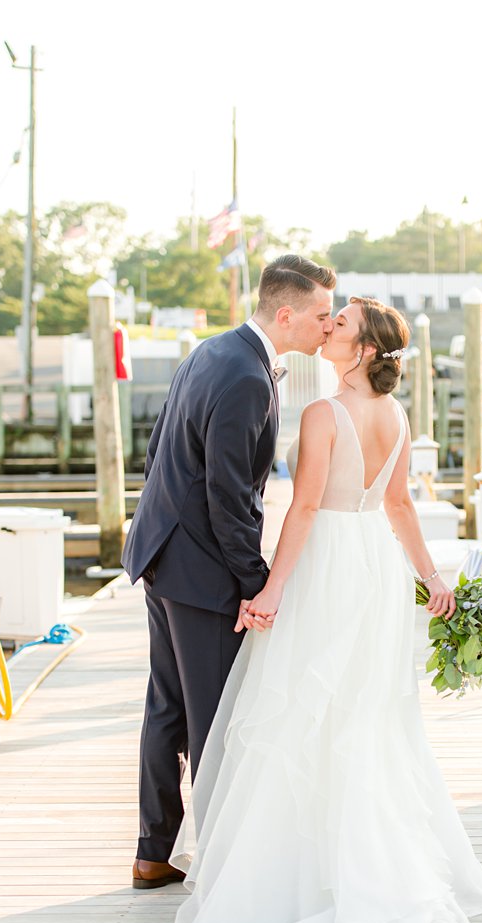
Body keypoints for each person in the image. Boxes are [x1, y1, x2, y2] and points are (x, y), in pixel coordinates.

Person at [157, 296, 482, 923]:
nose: (329, 327)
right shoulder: (397, 416)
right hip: (373, 565)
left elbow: (307, 507)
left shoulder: (324, 414)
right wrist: (431, 578)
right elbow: (400, 504)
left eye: (341, 324)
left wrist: (272, 588)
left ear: (365, 350)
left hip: (328, 567)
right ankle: (360, 871)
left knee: (302, 711)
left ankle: (301, 878)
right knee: (364, 715)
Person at [121, 255, 336, 889]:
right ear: (288, 313)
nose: (329, 326)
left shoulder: (211, 351)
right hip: (201, 572)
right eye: (323, 315)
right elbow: (228, 497)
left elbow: (162, 449)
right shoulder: (245, 376)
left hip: (162, 555)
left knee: (167, 707)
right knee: (214, 716)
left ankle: (153, 851)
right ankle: (218, 860)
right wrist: (258, 585)